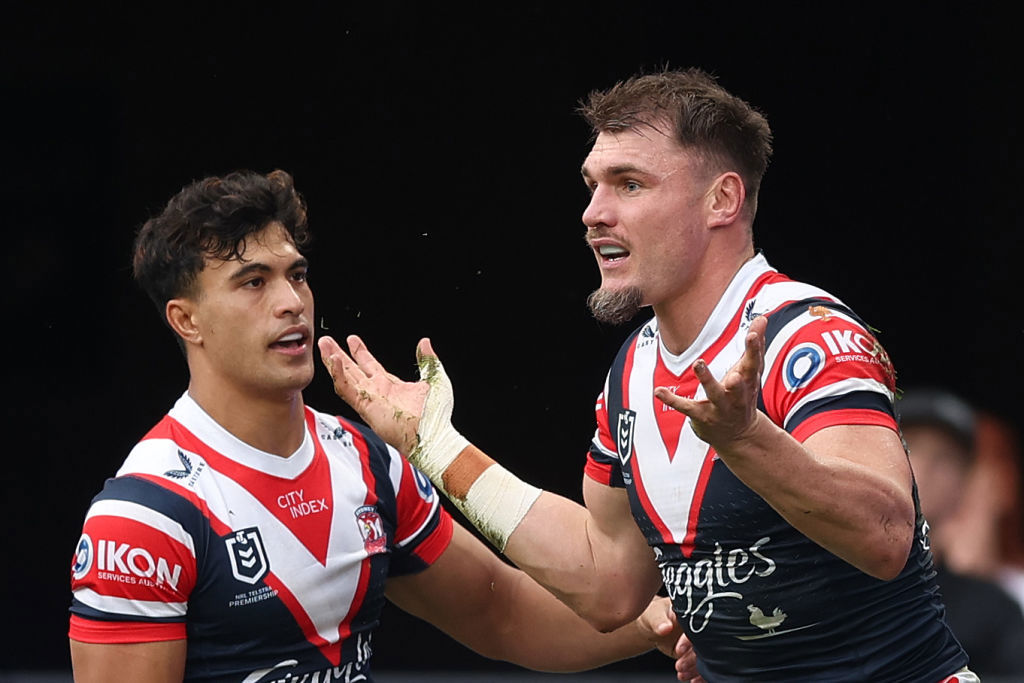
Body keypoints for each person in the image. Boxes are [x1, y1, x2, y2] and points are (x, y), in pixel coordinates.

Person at [318, 68, 976, 681]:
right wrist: (437, 446)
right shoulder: (632, 369)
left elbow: (886, 538)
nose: (593, 213)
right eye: (592, 185)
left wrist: (745, 438)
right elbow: (608, 582)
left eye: (629, 184)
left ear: (722, 199)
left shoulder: (807, 334)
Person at [67, 169, 682, 682]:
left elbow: (501, 613)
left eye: (296, 275)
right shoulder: (143, 518)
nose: (291, 302)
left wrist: (666, 622)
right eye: (253, 282)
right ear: (186, 321)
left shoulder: (365, 462)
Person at [898, 387, 1024, 678]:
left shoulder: (993, 609)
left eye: (945, 458)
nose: (925, 468)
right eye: (910, 447)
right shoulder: (827, 580)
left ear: (964, 484)